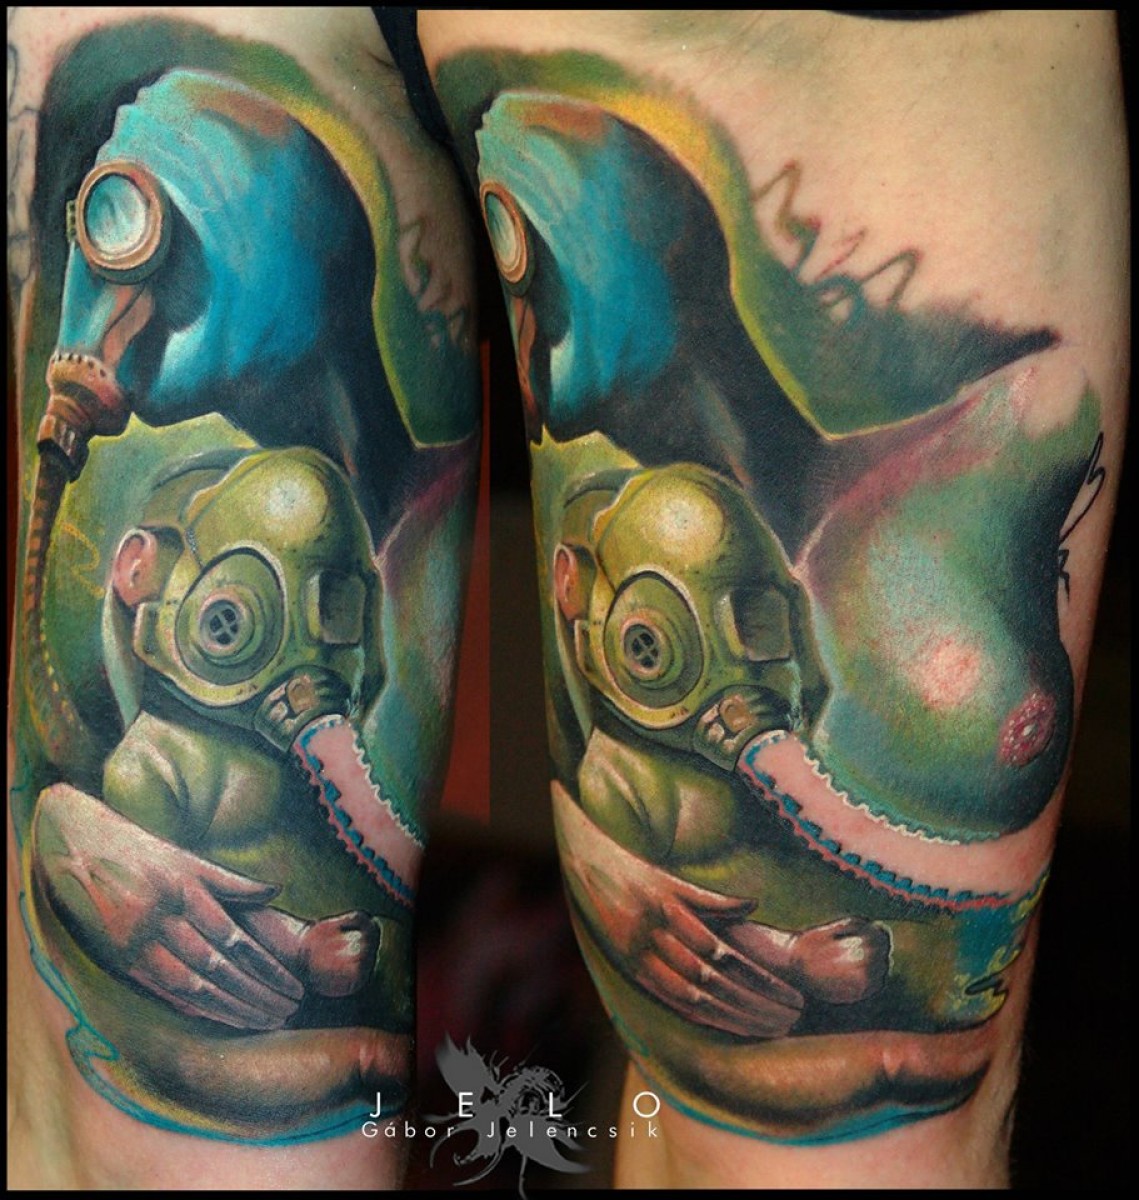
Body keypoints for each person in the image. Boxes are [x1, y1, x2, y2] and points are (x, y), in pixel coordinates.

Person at [7, 7, 1127, 1190]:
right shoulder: (243, 502)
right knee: (148, 1144)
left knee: (808, 1169)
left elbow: (911, 1016)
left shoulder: (960, 467)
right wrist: (72, 837)